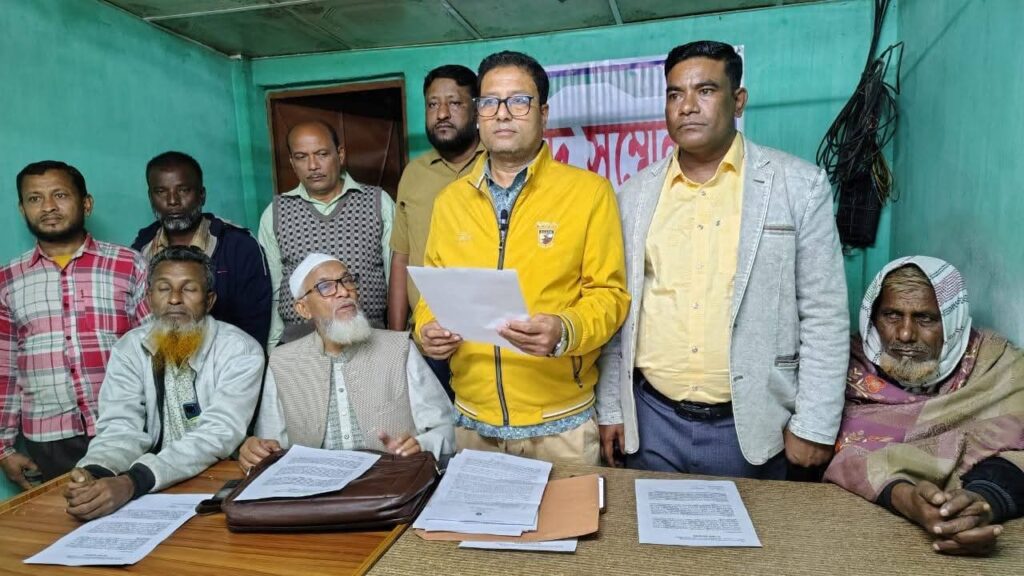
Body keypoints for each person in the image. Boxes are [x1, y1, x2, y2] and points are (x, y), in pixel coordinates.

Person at [597, 40, 848, 478]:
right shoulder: (633, 195)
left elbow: (824, 313)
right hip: (652, 421)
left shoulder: (798, 186)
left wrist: (815, 424)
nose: (687, 106)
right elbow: (620, 310)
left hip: (755, 423)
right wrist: (612, 408)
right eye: (675, 94)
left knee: (758, 527)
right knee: (647, 525)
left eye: (706, 91)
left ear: (738, 100)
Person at [414, 51, 629, 466]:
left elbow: (610, 295)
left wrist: (565, 329)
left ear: (543, 113)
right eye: (490, 102)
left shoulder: (589, 193)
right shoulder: (450, 202)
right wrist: (428, 330)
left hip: (562, 427)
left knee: (572, 513)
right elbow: (433, 290)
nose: (502, 113)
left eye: (519, 101)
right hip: (473, 424)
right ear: (478, 114)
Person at [825, 256, 1024, 556]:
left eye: (925, 319)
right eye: (891, 315)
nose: (905, 334)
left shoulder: (997, 365)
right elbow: (837, 452)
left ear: (953, 321)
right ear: (872, 317)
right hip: (854, 534)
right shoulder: (842, 368)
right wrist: (907, 499)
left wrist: (980, 502)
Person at [63, 246, 264, 521]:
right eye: (163, 288)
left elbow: (218, 433)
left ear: (209, 300)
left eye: (189, 289)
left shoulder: (240, 350)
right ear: (149, 298)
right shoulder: (129, 348)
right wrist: (95, 473)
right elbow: (120, 426)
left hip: (219, 482)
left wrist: (133, 482)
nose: (174, 299)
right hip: (151, 488)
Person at [1, 161, 149, 489]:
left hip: (126, 426)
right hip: (49, 439)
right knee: (67, 520)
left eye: (60, 195)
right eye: (35, 198)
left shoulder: (129, 264)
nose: (48, 207)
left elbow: (156, 350)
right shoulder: (7, 279)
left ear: (86, 203)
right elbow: (4, 369)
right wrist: (4, 448)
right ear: (22, 209)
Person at [240, 254, 454, 468]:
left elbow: (447, 430)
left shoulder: (400, 349)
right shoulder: (282, 362)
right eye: (325, 287)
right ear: (303, 309)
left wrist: (421, 445)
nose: (343, 292)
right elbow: (271, 445)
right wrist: (256, 450)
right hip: (315, 483)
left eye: (347, 280)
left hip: (392, 480)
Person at [390, 65, 485, 395]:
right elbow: (401, 258)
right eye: (433, 104)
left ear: (477, 109)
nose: (442, 114)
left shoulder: (499, 166)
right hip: (429, 339)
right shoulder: (413, 175)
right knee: (434, 426)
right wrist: (396, 340)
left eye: (454, 103)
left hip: (489, 339)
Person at [257, 121, 394, 348]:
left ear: (340, 154)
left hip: (368, 338)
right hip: (300, 343)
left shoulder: (378, 202)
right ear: (292, 162)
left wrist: (396, 336)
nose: (313, 165)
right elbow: (274, 292)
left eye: (322, 154)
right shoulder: (275, 213)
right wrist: (274, 349)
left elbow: (395, 279)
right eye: (301, 157)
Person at [132, 151, 272, 347]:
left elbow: (255, 326)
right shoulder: (141, 249)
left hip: (229, 359)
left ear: (202, 195)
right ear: (150, 197)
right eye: (161, 191)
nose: (172, 201)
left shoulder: (239, 246)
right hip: (159, 358)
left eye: (183, 190)